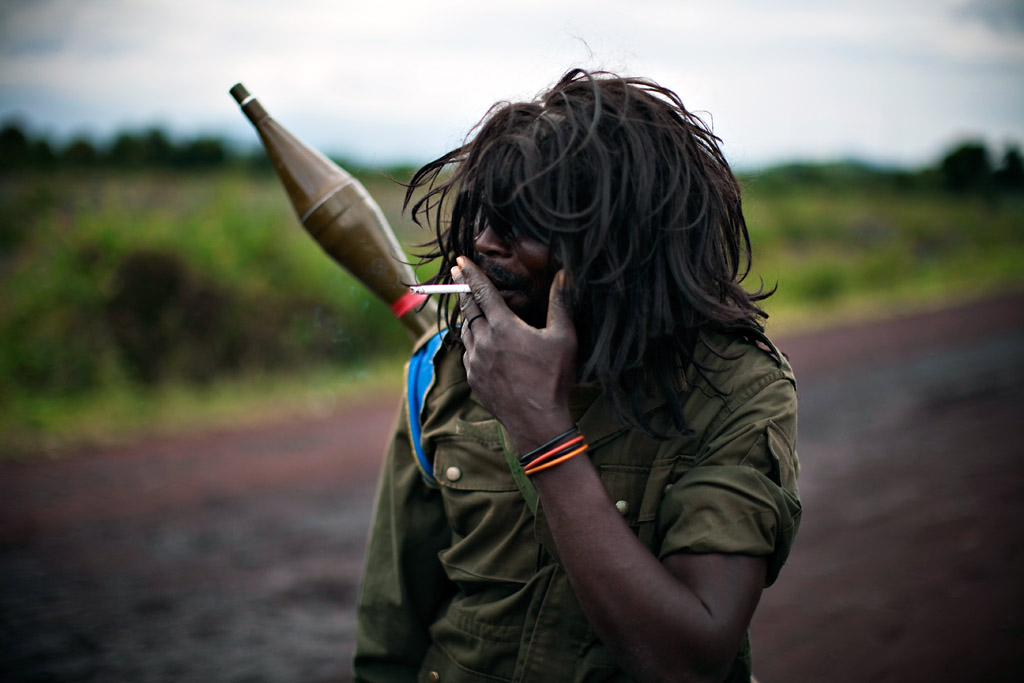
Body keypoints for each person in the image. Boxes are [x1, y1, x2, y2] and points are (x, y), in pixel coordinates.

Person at [353, 69, 800, 683]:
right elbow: (389, 640)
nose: (484, 243)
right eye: (487, 215)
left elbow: (690, 661)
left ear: (625, 239)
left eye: (523, 222)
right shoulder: (449, 369)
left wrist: (540, 429)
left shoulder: (734, 390)